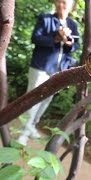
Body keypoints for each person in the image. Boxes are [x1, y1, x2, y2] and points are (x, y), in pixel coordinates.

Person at [17, 0, 80, 145]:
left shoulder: (72, 25)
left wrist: (70, 44)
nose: (60, 5)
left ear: (71, 6)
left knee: (46, 100)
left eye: (64, 3)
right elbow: (35, 38)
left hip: (58, 71)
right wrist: (56, 38)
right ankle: (23, 133)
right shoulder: (45, 19)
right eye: (58, 1)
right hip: (40, 66)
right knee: (32, 99)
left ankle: (31, 125)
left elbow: (76, 45)